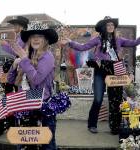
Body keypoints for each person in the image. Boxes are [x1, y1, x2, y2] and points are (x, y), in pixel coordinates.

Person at [61, 16, 140, 134]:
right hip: (100, 72)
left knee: (115, 100)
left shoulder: (119, 40)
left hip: (115, 72)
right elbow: (83, 47)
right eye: (108, 25)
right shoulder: (98, 40)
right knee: (98, 99)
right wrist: (70, 42)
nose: (111, 27)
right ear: (104, 27)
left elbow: (134, 43)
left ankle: (115, 127)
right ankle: (92, 124)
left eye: (112, 25)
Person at [7, 21, 58, 150]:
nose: (36, 38)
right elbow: (10, 80)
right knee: (24, 144)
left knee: (47, 144)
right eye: (33, 36)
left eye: (40, 36)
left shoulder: (48, 57)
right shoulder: (26, 55)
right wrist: (14, 66)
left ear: (45, 40)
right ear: (29, 39)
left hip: (42, 105)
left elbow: (36, 80)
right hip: (25, 103)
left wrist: (24, 59)